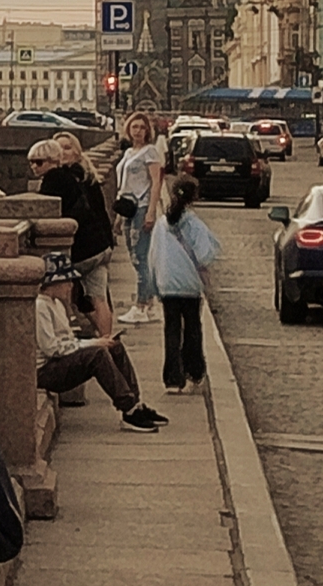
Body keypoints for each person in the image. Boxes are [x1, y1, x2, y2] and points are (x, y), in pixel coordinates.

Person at [34, 251, 163, 433]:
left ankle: (135, 403)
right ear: (51, 284)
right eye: (66, 281)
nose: (70, 286)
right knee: (97, 355)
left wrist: (97, 341)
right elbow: (52, 348)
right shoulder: (40, 307)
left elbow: (68, 342)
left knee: (113, 346)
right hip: (46, 370)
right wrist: (93, 344)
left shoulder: (57, 304)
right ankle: (128, 408)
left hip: (59, 361)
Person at [29, 137, 114, 335]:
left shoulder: (54, 179)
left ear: (52, 160)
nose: (34, 166)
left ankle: (64, 335)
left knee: (61, 291)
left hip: (82, 250)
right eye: (31, 162)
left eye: (39, 162)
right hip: (99, 246)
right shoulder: (78, 176)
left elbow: (45, 212)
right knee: (98, 299)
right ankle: (108, 342)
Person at [150, 174, 221, 395]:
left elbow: (152, 255)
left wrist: (156, 283)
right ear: (195, 197)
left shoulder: (162, 224)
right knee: (192, 328)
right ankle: (194, 371)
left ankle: (172, 378)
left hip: (167, 283)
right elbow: (205, 255)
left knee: (171, 330)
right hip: (189, 284)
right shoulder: (194, 224)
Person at [113, 111, 165, 324]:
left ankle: (141, 305)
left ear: (148, 131)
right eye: (134, 127)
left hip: (142, 208)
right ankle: (149, 303)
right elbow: (123, 186)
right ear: (128, 129)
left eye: (142, 128)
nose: (138, 131)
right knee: (135, 255)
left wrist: (151, 211)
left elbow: (156, 183)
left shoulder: (150, 152)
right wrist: (117, 217)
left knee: (140, 257)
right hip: (128, 209)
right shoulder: (127, 153)